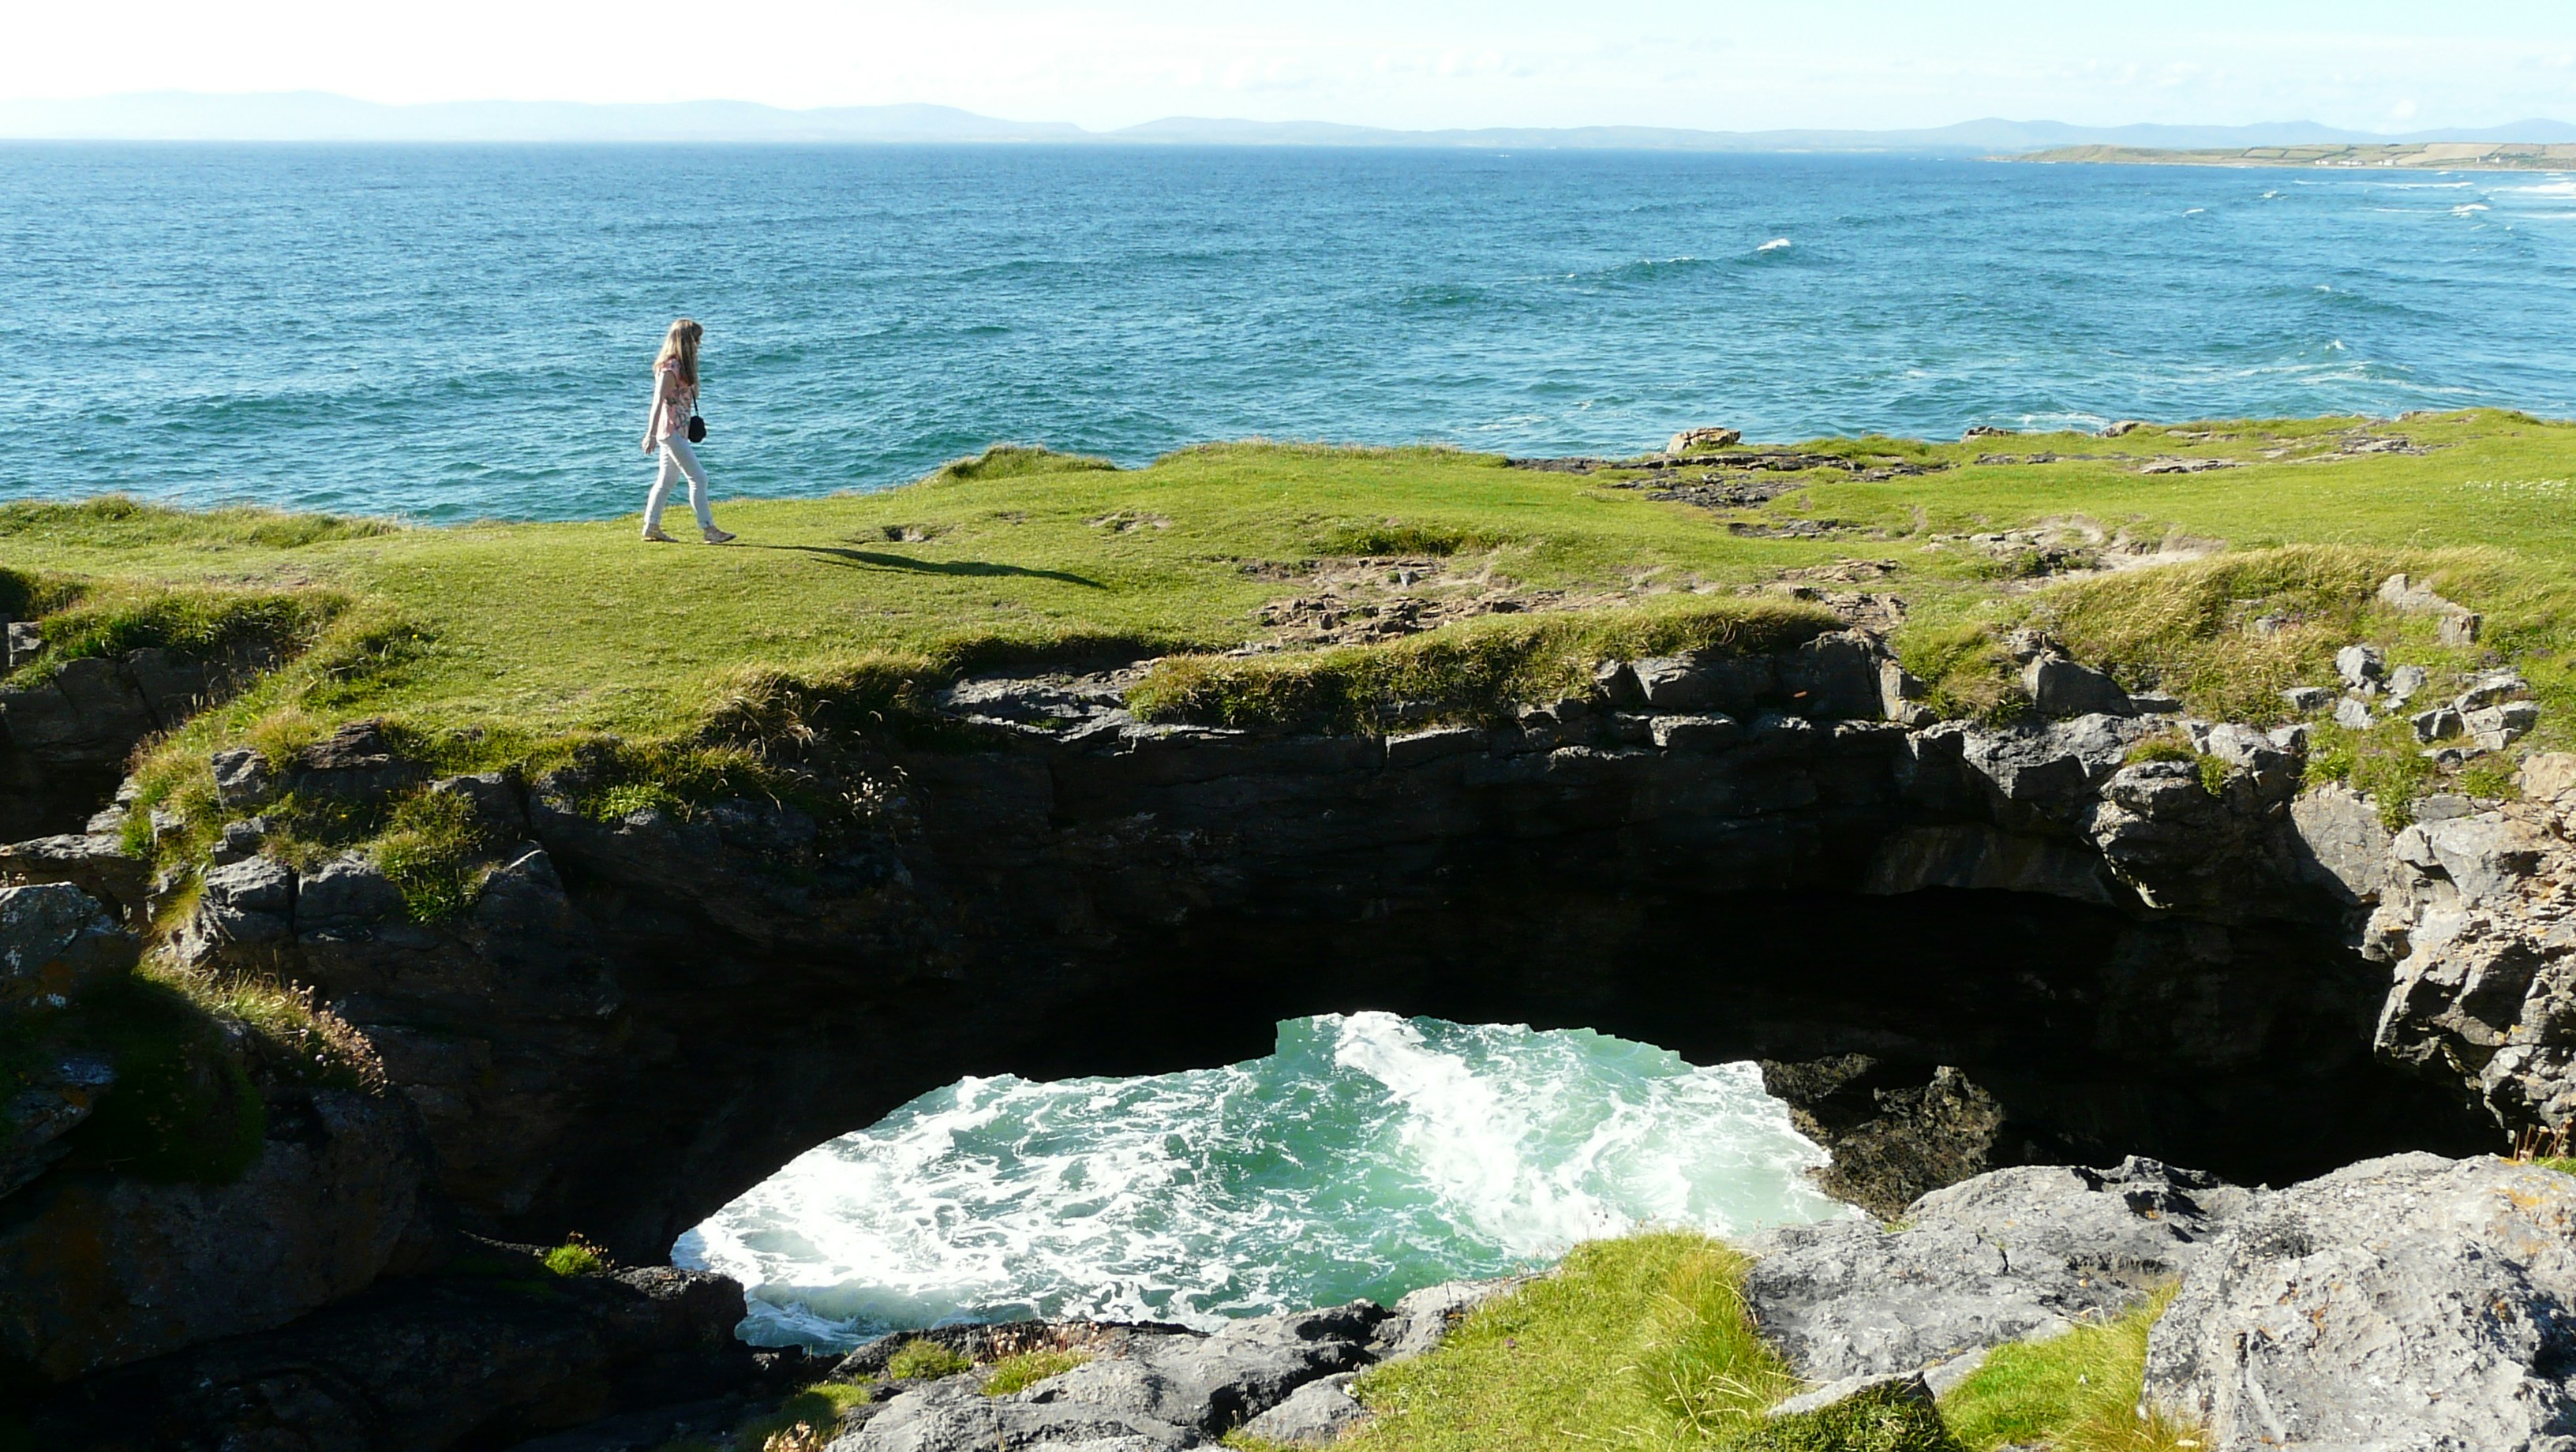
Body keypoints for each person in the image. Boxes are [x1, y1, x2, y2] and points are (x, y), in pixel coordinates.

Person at [639, 318, 735, 544]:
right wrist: (650, 434)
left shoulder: (682, 367)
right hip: (670, 430)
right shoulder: (670, 368)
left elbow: (691, 396)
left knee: (666, 481)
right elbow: (658, 401)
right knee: (699, 478)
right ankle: (708, 529)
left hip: (678, 430)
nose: (699, 344)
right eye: (696, 339)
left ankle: (651, 526)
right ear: (685, 341)